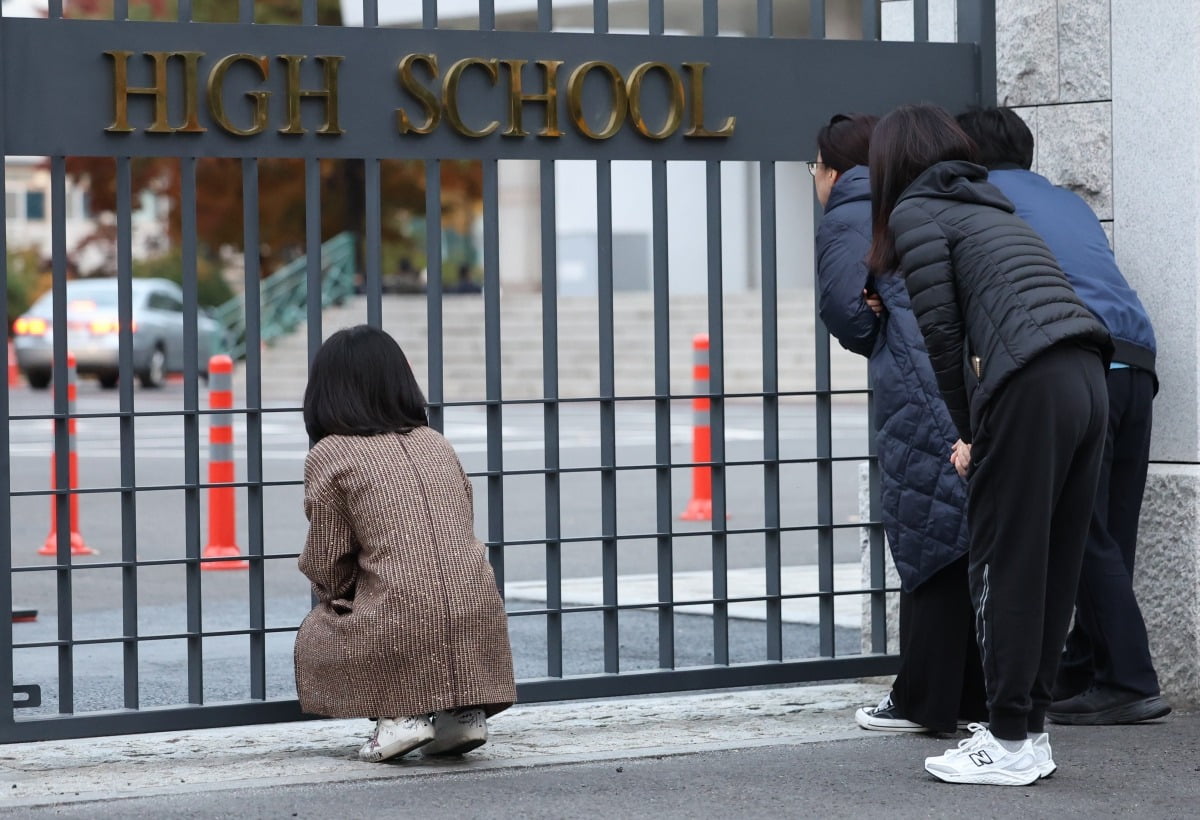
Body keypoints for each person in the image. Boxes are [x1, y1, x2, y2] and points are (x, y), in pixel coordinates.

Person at [867, 103, 1112, 786]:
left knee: (1004, 562)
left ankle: (1005, 740)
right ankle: (1028, 733)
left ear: (893, 161)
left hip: (1030, 382)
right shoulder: (990, 203)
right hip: (1087, 373)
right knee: (1052, 563)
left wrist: (968, 430)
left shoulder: (918, 213)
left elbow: (941, 337)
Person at [955, 107, 1170, 727]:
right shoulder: (1067, 202)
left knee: (1076, 525)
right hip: (1136, 360)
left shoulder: (983, 204)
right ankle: (1086, 666)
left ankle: (1130, 679)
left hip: (1075, 362)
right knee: (1110, 529)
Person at [812, 113, 986, 736]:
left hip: (920, 383)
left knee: (930, 535)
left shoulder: (851, 213)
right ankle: (969, 697)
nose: (814, 177)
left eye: (815, 166)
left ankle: (928, 701)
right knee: (967, 535)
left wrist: (873, 311)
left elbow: (851, 317)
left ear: (834, 170)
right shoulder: (955, 200)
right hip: (976, 374)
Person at [294, 325, 516, 762]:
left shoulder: (332, 453)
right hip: (481, 610)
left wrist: (338, 598)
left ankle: (399, 716)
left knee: (320, 630)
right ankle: (462, 714)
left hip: (402, 619)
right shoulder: (436, 443)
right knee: (437, 597)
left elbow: (326, 560)